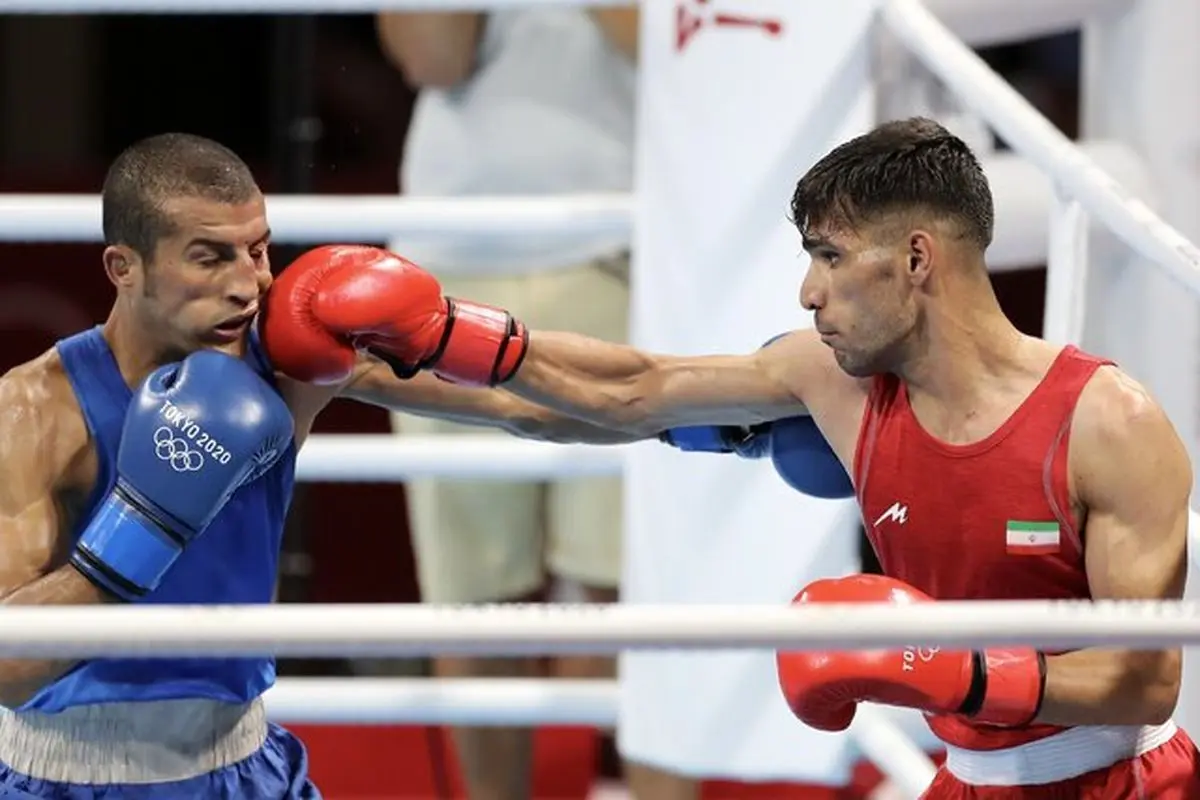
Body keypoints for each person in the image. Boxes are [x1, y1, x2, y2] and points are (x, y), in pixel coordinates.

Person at [290, 117, 1200, 797]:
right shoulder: (837, 383)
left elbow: (1148, 678)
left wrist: (958, 669)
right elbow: (626, 393)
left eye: (830, 257)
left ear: (917, 259)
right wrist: (382, 366)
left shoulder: (1105, 422)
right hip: (967, 780)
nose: (808, 292)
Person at [0, 132, 641, 799]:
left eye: (256, 251)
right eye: (210, 259)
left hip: (245, 765)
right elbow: (5, 668)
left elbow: (521, 399)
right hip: (65, 777)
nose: (248, 285)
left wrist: (717, 412)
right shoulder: (33, 410)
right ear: (122, 268)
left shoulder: (283, 354)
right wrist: (141, 528)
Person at [373, 7, 646, 798]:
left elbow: (667, 54)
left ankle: (619, 781)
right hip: (454, 256)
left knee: (619, 581)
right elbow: (434, 57)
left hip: (616, 250)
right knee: (475, 596)